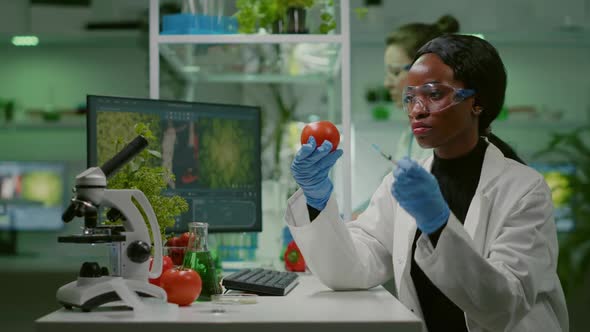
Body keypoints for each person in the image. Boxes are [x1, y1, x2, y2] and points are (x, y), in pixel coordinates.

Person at [286, 34, 568, 332]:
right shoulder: (404, 182)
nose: (417, 110)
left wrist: (438, 225)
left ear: (477, 102)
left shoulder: (525, 189)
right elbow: (351, 270)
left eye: (434, 95)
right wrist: (316, 199)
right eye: (411, 98)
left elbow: (502, 306)